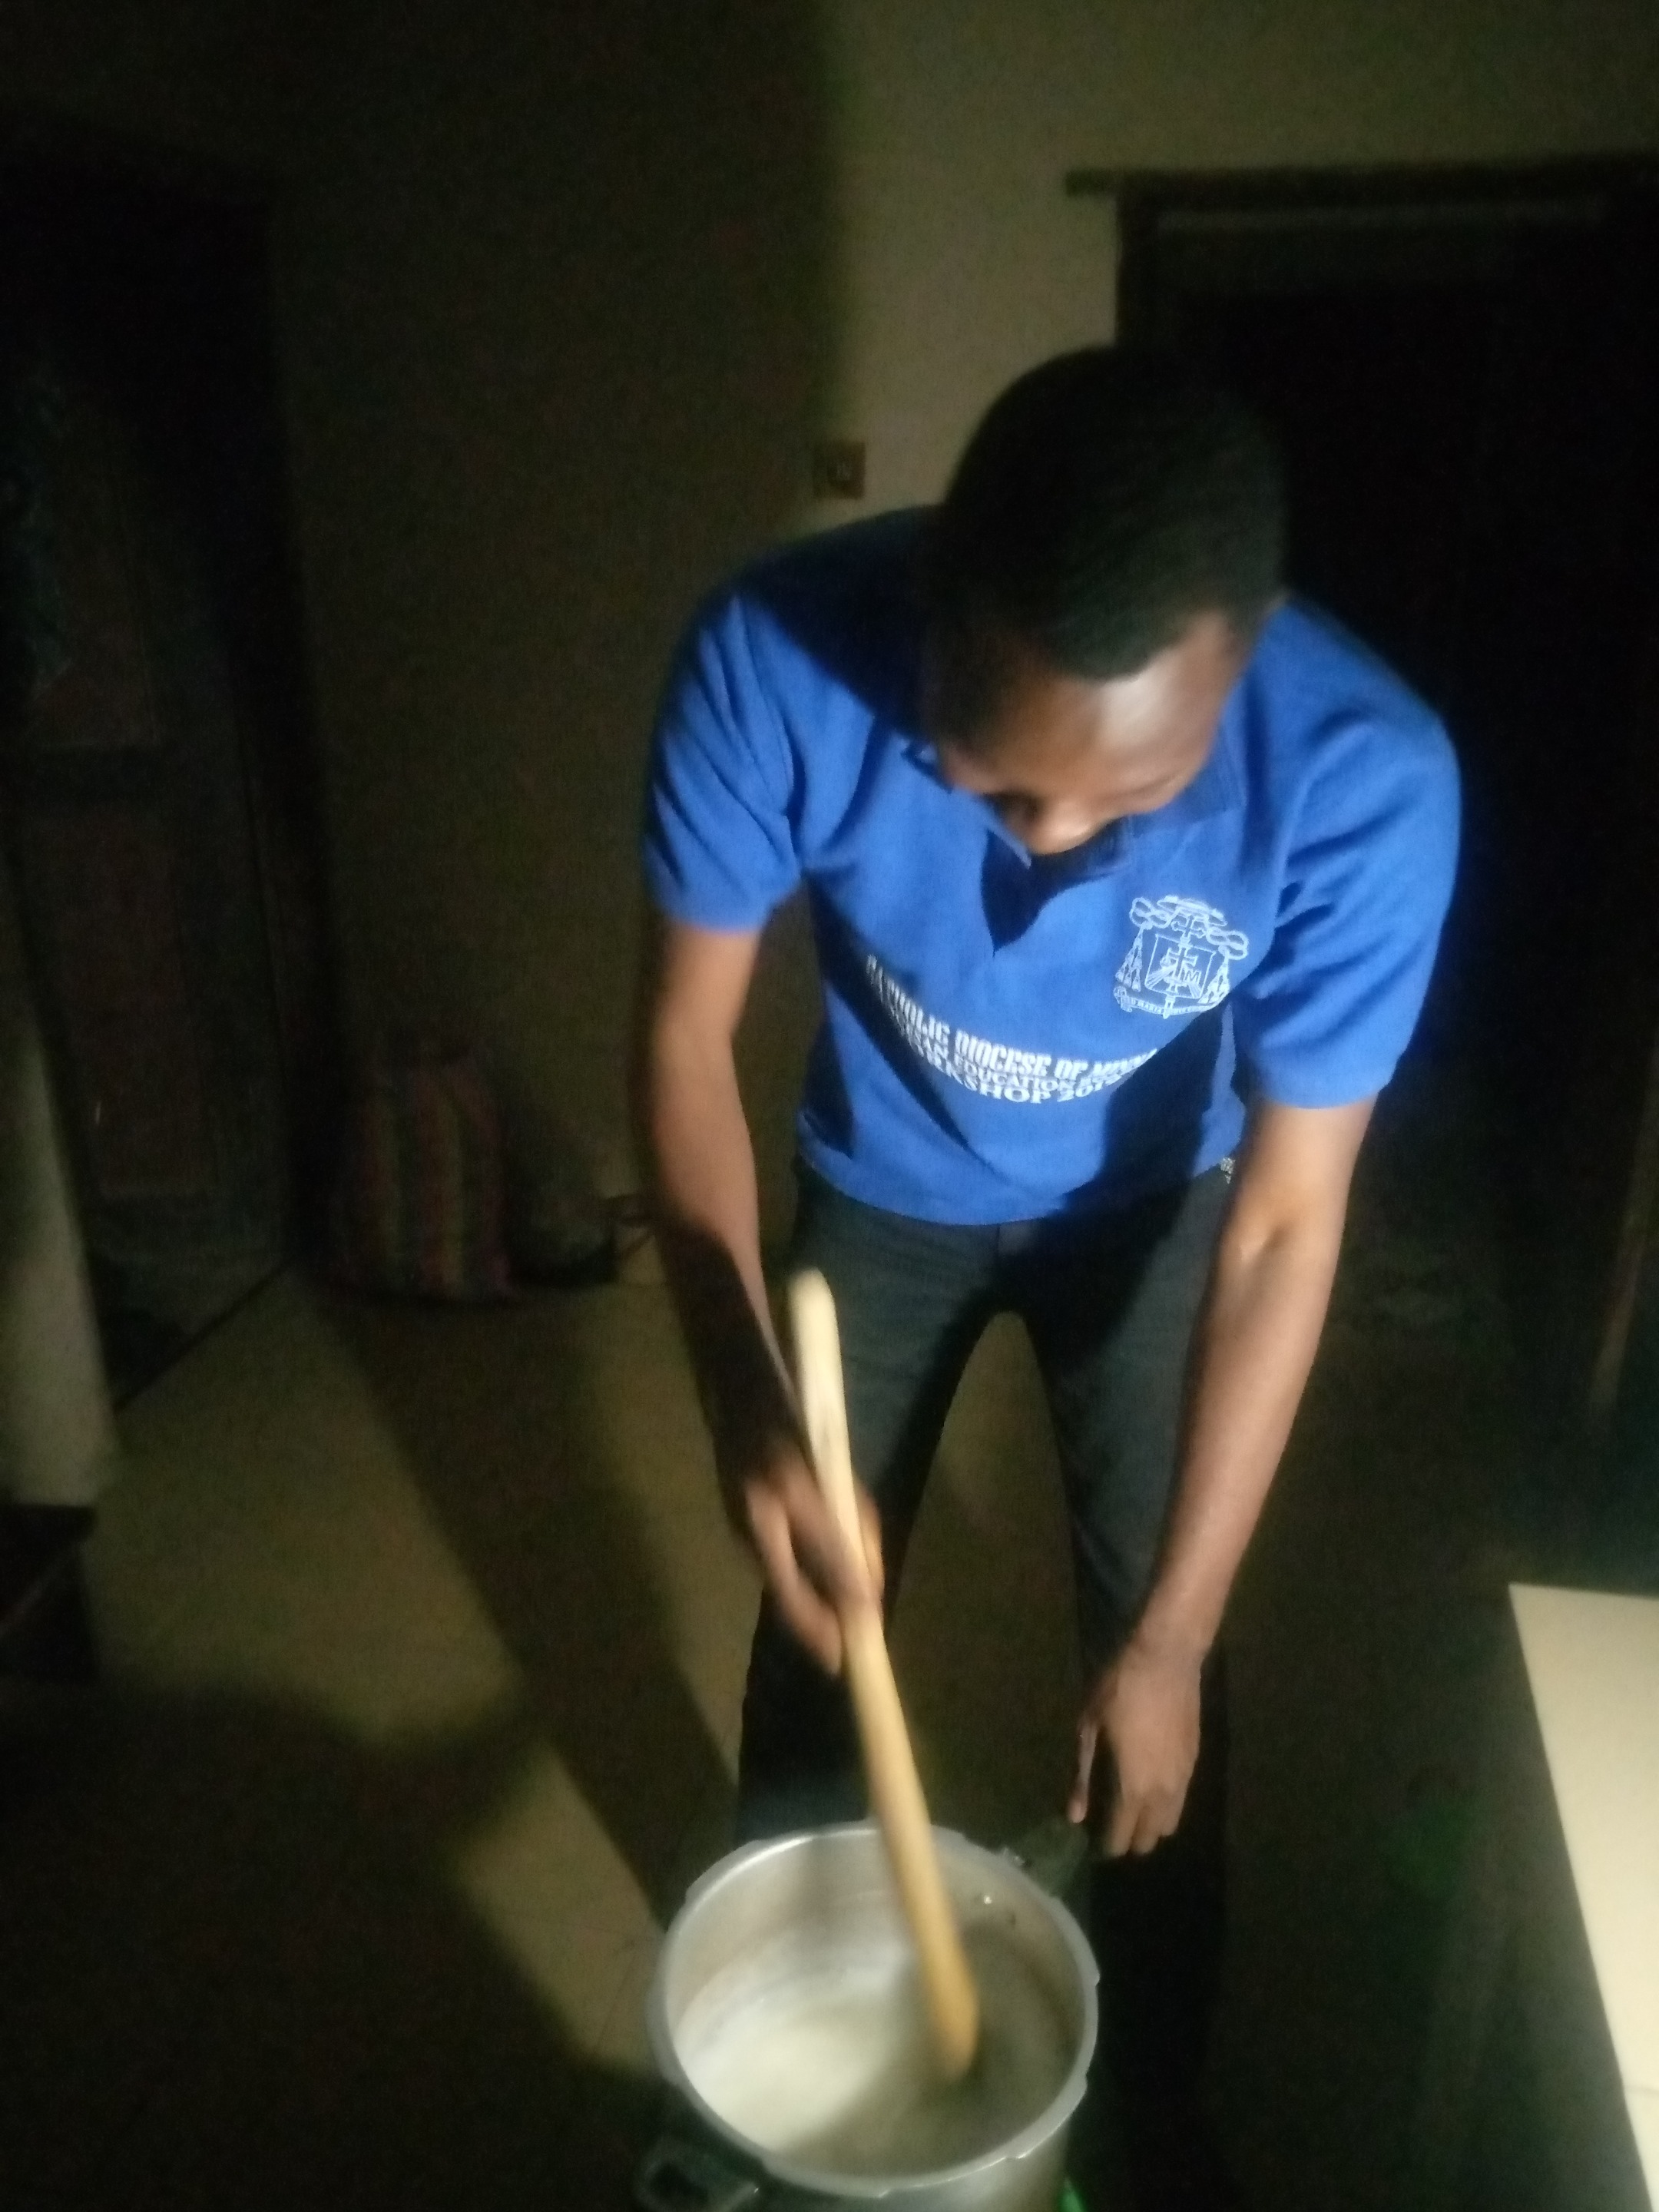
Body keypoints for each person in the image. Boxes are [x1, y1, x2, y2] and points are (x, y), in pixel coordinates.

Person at [631, 348, 1459, 2209]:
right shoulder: (774, 653)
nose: (1053, 847)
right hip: (881, 1187)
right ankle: (764, 2086)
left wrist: (1169, 1641)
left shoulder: (1364, 779)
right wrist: (739, 1385)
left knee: (1161, 1676)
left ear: (1244, 675)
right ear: (929, 614)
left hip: (1162, 1209)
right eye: (990, 785)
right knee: (819, 1619)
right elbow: (682, 1041)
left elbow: (1289, 1223)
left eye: (1128, 798)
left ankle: (1146, 2107)